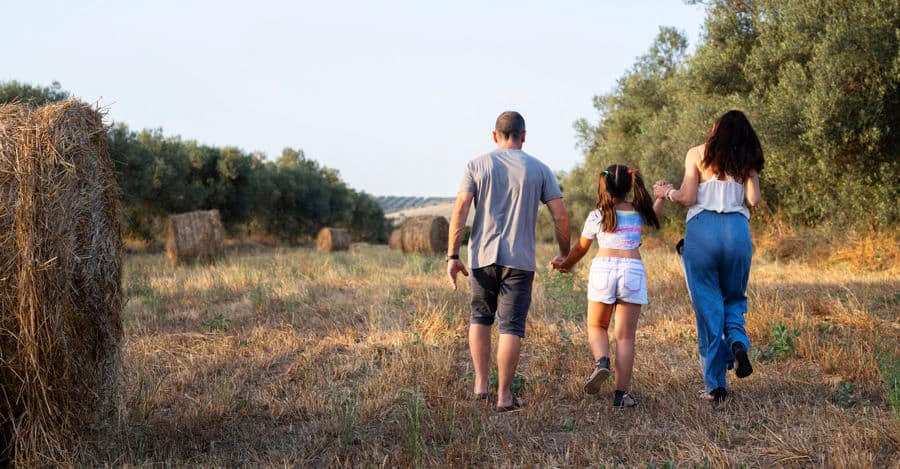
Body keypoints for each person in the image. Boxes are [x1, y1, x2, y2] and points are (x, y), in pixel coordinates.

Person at [447, 111, 570, 412]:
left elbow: (462, 208)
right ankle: (504, 397)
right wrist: (565, 253)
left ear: (494, 135)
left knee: (480, 318)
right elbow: (560, 216)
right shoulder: (540, 169)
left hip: (481, 257)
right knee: (510, 327)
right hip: (520, 259)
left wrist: (452, 255)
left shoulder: (476, 165)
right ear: (524, 136)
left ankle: (480, 385)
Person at [653, 110, 763, 402]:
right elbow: (752, 200)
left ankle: (715, 386)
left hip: (703, 232)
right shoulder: (746, 160)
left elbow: (688, 198)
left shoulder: (697, 154)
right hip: (737, 233)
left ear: (717, 129)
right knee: (734, 298)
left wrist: (667, 193)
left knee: (708, 307)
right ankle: (738, 343)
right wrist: (750, 170)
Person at [550, 164, 663, 407]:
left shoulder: (597, 215)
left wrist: (565, 264)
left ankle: (602, 362)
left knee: (597, 326)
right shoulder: (638, 212)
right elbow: (655, 215)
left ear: (604, 184)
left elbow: (580, 248)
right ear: (630, 185)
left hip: (603, 268)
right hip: (631, 268)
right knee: (625, 338)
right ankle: (621, 395)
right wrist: (661, 198)